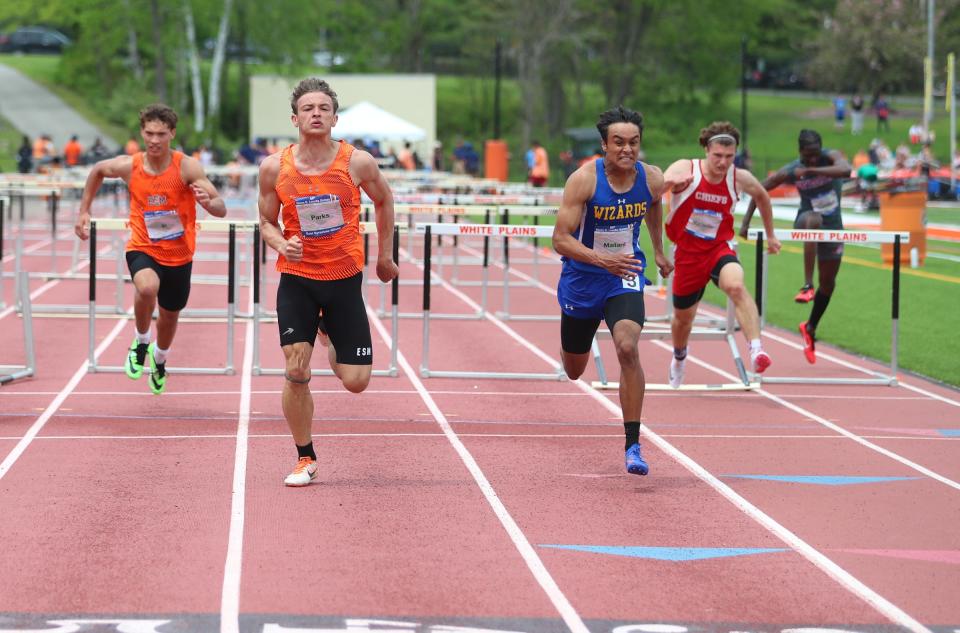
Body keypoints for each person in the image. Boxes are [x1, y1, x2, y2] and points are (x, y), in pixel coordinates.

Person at [258, 77, 398, 487]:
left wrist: (385, 255)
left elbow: (385, 200)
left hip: (343, 279)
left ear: (335, 118)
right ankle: (305, 456)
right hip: (298, 279)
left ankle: (329, 333)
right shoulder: (274, 167)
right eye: (307, 108)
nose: (315, 113)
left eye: (323, 108)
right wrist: (282, 243)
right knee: (296, 367)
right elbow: (265, 221)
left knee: (356, 382)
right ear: (294, 118)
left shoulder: (358, 162)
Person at [552, 105, 673, 476]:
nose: (627, 150)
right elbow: (560, 239)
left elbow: (653, 205)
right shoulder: (584, 180)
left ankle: (633, 444)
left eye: (634, 142)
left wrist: (657, 249)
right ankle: (573, 339)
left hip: (626, 273)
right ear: (604, 145)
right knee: (574, 368)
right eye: (618, 142)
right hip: (583, 278)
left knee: (627, 346)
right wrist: (600, 261)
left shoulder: (651, 178)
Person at [74, 104, 226, 394]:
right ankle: (141, 341)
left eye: (161, 134)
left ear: (172, 133)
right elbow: (97, 171)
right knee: (146, 288)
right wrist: (84, 211)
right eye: (149, 133)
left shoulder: (187, 167)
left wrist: (209, 202)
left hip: (180, 255)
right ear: (142, 132)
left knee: (169, 317)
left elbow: (221, 208)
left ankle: (160, 359)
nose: (154, 140)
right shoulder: (130, 166)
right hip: (143, 245)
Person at [662, 122, 781, 388]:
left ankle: (756, 349)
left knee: (736, 286)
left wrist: (771, 234)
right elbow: (654, 189)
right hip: (688, 255)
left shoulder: (738, 177)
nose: (723, 162)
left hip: (718, 249)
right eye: (717, 155)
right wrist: (669, 184)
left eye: (729, 157)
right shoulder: (686, 168)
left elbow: (762, 196)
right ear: (706, 150)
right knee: (682, 320)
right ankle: (680, 357)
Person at [740, 129, 850, 364]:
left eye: (815, 153)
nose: (811, 158)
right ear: (799, 152)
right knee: (813, 219)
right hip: (806, 221)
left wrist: (811, 170)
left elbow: (846, 170)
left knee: (829, 284)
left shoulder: (829, 158)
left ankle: (810, 327)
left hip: (833, 227)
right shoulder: (792, 169)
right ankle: (807, 285)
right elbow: (760, 189)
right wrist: (746, 222)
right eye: (807, 156)